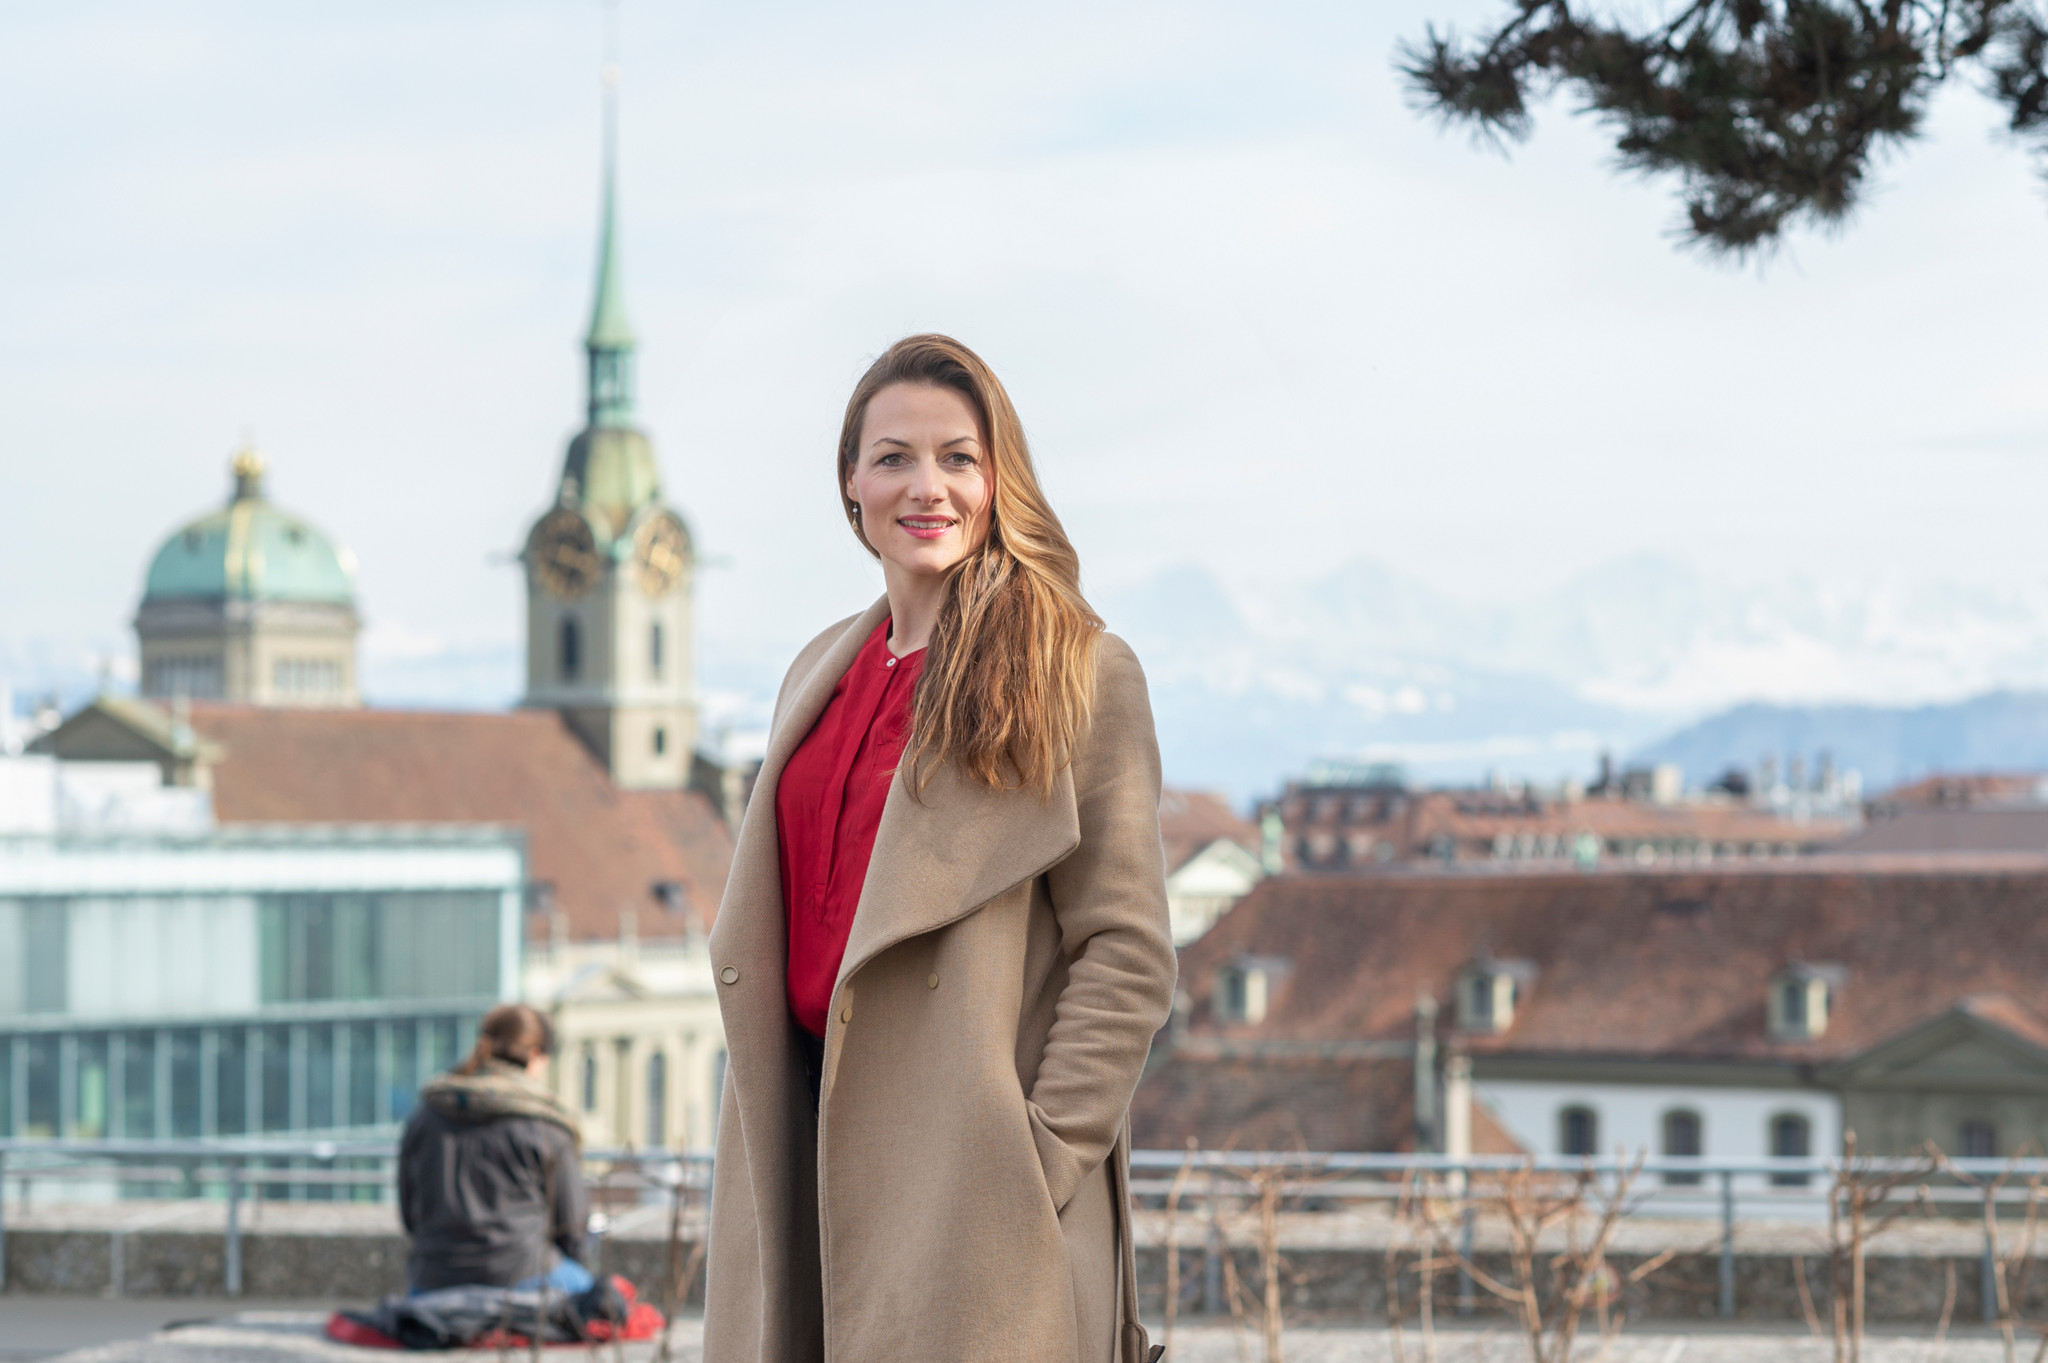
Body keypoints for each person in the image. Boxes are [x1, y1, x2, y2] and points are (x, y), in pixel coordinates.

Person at [701, 335, 1179, 1363]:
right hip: (800, 1147)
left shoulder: (1076, 667)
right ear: (850, 485)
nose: (927, 486)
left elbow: (1127, 951)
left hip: (967, 1192)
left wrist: (1029, 1159)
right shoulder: (814, 671)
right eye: (893, 458)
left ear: (998, 478)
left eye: (958, 457)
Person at [398, 1004, 591, 1296]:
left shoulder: (428, 1112)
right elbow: (572, 1230)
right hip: (524, 1276)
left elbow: (410, 1213)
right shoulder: (547, 1124)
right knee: (600, 1296)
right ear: (536, 1055)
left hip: (432, 1281)